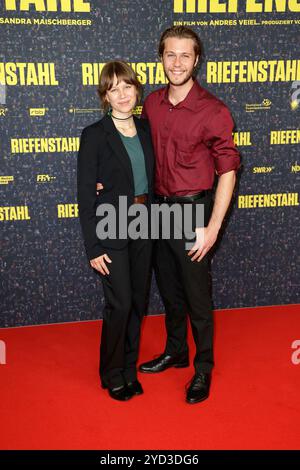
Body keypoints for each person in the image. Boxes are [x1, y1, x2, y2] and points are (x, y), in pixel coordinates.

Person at [138, 26, 240, 404]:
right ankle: (176, 351)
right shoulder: (151, 103)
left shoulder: (214, 110)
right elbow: (139, 154)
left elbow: (227, 170)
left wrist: (212, 227)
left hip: (192, 209)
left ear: (197, 60)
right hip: (158, 210)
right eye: (170, 54)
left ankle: (203, 368)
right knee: (169, 290)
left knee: (197, 296)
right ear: (160, 57)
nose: (177, 62)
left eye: (185, 55)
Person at [77, 60, 154, 401]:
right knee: (119, 303)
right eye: (114, 88)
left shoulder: (148, 129)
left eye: (127, 86)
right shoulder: (94, 135)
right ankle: (111, 373)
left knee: (138, 302)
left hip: (146, 221)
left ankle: (128, 366)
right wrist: (93, 247)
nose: (123, 94)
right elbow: (83, 194)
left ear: (137, 89)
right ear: (105, 96)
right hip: (111, 223)